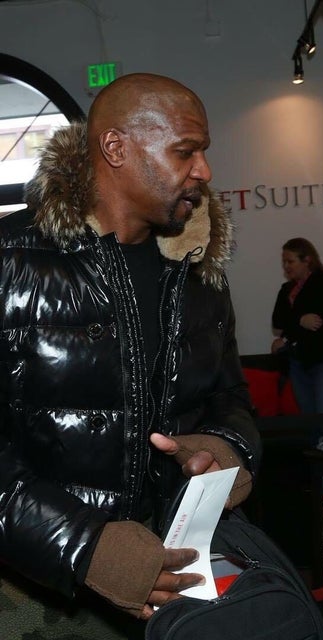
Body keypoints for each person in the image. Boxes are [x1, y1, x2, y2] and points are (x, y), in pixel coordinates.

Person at [0, 73, 261, 638]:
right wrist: (83, 543)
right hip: (34, 593)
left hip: (178, 570)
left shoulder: (199, 273)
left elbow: (230, 394)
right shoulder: (10, 261)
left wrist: (226, 447)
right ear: (116, 148)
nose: (205, 172)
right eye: (185, 151)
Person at [271, 238, 323, 414]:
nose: (286, 266)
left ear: (307, 260)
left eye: (290, 261)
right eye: (284, 262)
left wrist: (290, 331)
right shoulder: (286, 289)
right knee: (309, 419)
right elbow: (278, 321)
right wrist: (299, 321)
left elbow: (322, 322)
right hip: (298, 361)